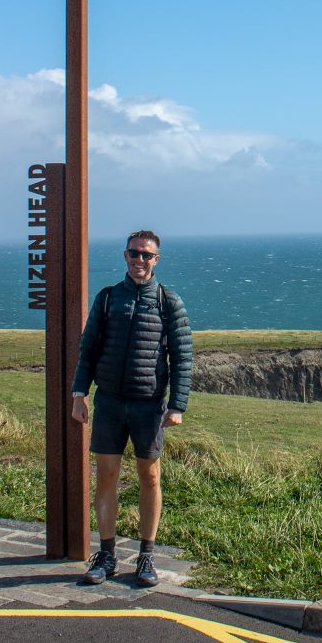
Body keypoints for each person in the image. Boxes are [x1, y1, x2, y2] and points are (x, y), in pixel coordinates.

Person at [71, 229, 192, 587]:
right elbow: (89, 347)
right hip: (109, 401)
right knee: (106, 476)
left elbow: (182, 357)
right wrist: (80, 394)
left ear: (157, 260)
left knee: (149, 477)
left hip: (149, 404)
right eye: (134, 253)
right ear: (125, 256)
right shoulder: (108, 299)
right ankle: (106, 556)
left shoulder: (169, 302)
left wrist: (177, 405)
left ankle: (146, 557)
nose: (140, 260)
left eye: (147, 255)